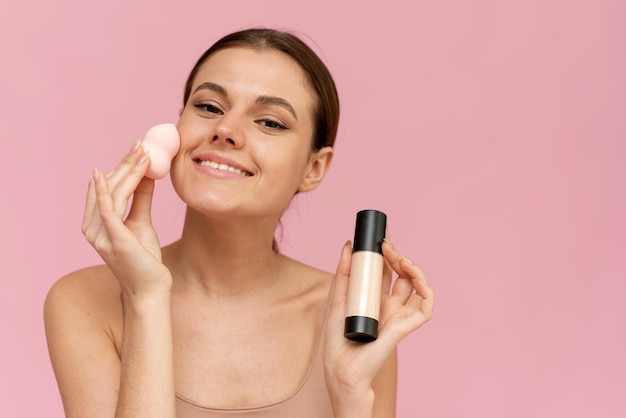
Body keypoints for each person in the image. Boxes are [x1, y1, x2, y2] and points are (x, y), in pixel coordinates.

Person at [44, 28, 434, 418]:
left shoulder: (355, 316)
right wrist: (145, 296)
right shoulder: (86, 301)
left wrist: (350, 397)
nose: (226, 131)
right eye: (210, 107)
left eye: (270, 122)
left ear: (314, 168)